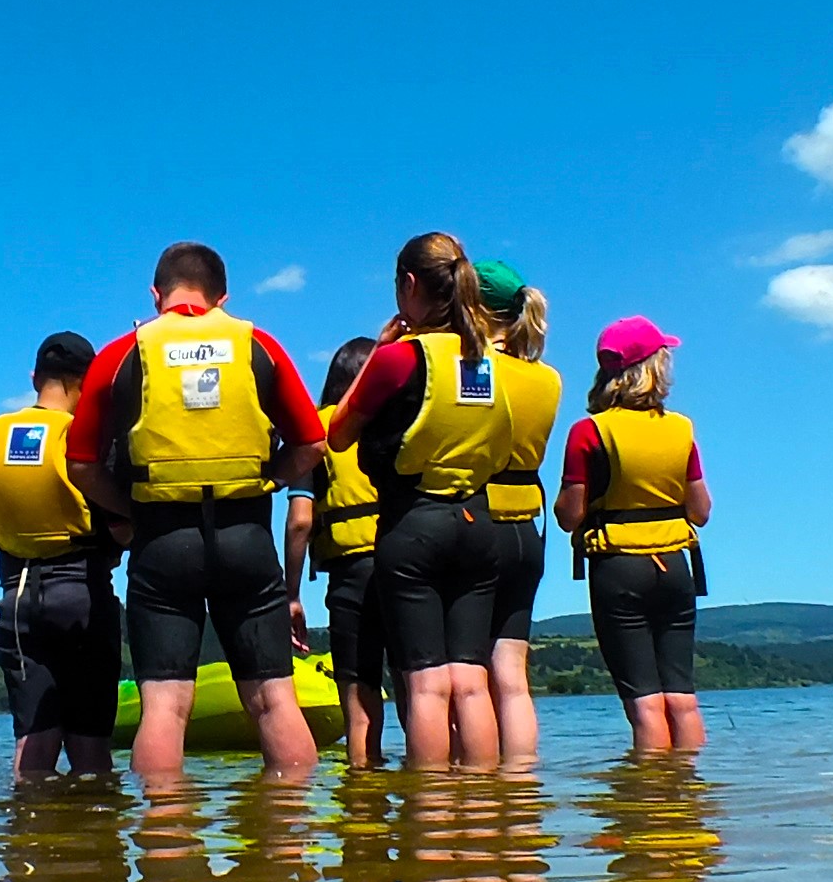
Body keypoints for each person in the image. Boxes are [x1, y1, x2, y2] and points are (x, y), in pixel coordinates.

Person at [68, 242, 329, 783]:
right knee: (274, 699)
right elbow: (311, 444)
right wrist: (267, 480)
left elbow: (82, 465)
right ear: (222, 298)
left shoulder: (119, 355)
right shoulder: (259, 345)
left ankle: (165, 829)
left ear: (156, 295)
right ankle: (290, 823)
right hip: (245, 533)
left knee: (165, 707)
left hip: (162, 540)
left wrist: (130, 508)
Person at [323, 233, 516, 768]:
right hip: (478, 522)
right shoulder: (493, 362)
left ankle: (431, 810)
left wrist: (378, 352)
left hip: (414, 524)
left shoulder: (399, 359)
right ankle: (482, 804)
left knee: (427, 685)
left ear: (409, 285)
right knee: (471, 683)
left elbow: (338, 433)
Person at [0, 331, 123, 776]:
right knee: (90, 748)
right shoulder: (88, 436)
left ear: (35, 377)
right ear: (87, 381)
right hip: (82, 593)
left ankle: (29, 821)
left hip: (18, 601)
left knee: (32, 745)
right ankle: (93, 821)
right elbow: (120, 523)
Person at [560, 316, 711, 753]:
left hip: (619, 569)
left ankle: (651, 791)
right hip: (676, 568)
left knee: (645, 704)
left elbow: (569, 516)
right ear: (654, 366)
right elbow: (701, 512)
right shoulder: (680, 429)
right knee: (681, 698)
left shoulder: (589, 431)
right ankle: (689, 786)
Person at [285, 336, 390, 767]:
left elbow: (300, 520)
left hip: (352, 572)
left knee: (360, 702)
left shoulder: (316, 432)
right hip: (412, 562)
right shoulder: (401, 423)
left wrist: (292, 594)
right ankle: (439, 796)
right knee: (424, 691)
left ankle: (363, 796)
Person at [475, 259, 563, 763]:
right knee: (511, 673)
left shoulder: (470, 369)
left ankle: (475, 789)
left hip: (475, 517)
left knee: (467, 673)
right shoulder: (548, 378)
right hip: (528, 527)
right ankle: (522, 785)